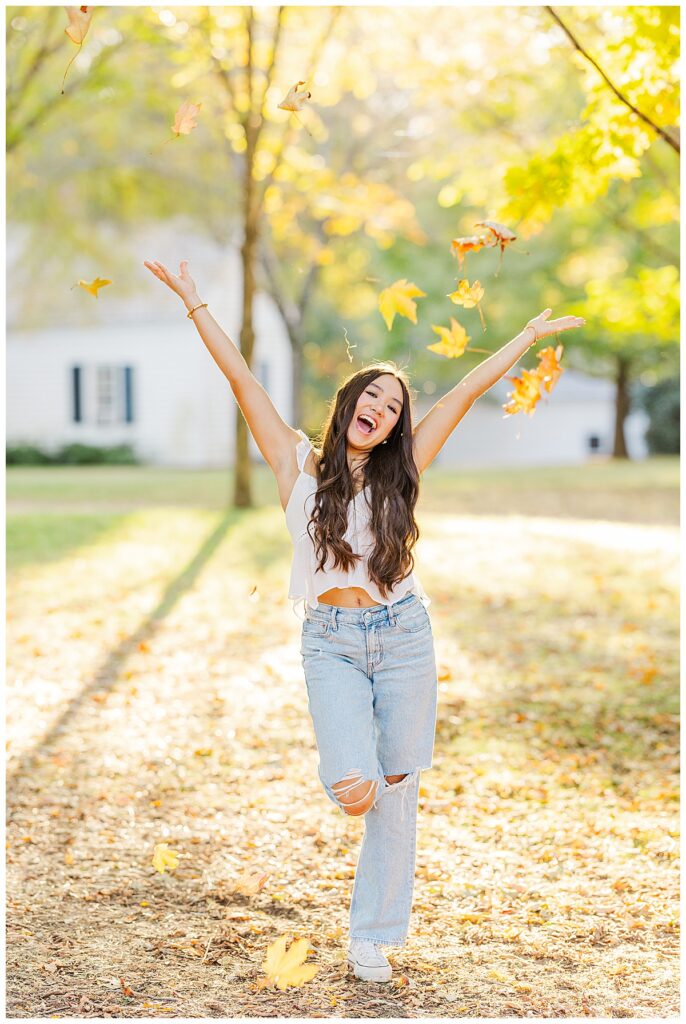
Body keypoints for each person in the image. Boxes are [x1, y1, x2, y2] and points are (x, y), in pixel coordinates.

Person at [143, 257, 585, 982]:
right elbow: (242, 381)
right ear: (347, 403)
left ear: (389, 429)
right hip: (332, 645)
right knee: (358, 789)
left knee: (399, 791)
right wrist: (195, 304)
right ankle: (365, 787)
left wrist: (526, 337)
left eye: (391, 404)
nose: (379, 405)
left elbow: (470, 386)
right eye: (370, 393)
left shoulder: (404, 465)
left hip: (405, 636)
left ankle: (370, 936)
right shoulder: (296, 464)